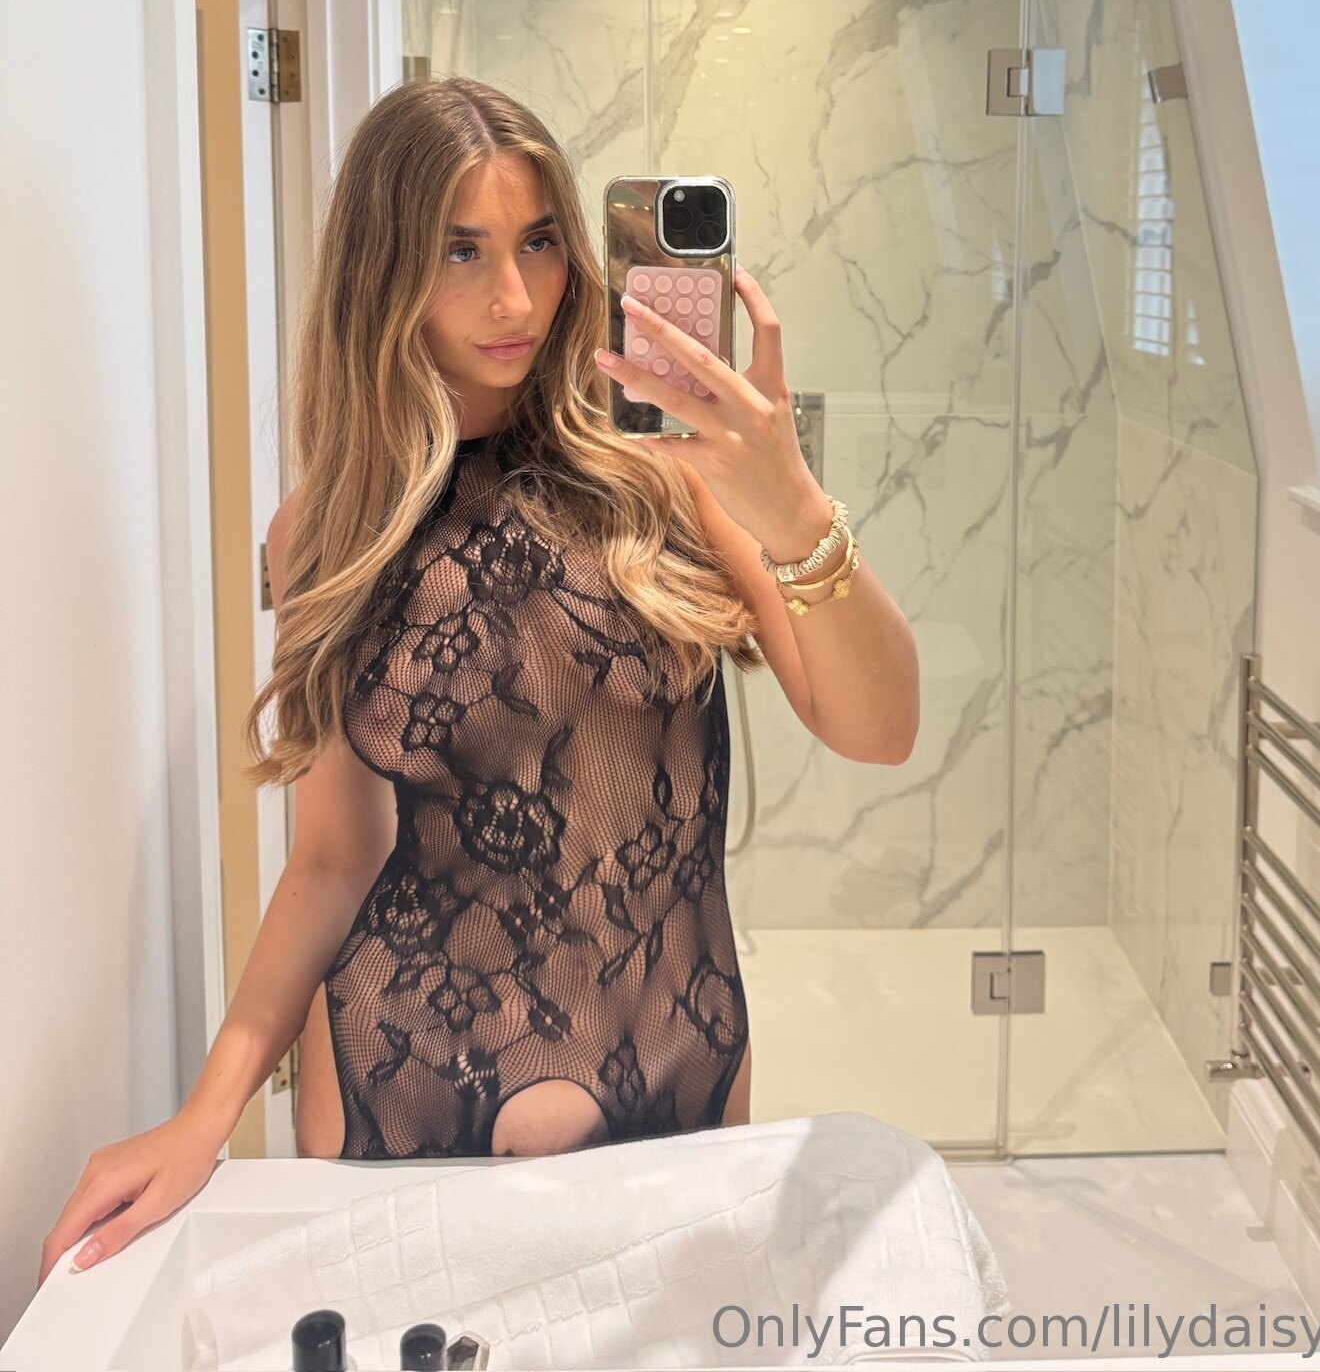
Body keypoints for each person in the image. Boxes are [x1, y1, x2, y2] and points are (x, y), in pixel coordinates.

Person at [39, 76, 920, 1281]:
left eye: (539, 242)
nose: (514, 297)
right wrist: (206, 1111)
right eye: (462, 250)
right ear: (386, 270)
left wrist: (796, 506)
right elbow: (334, 857)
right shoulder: (324, 531)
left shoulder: (666, 479)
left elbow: (879, 728)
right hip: (397, 1079)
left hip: (671, 1055)